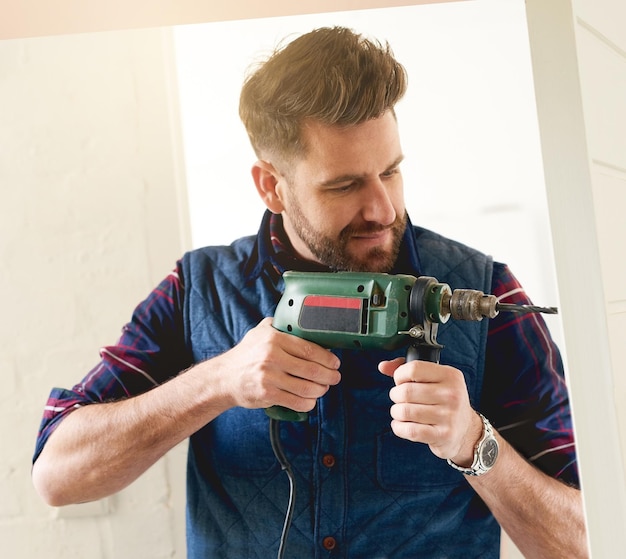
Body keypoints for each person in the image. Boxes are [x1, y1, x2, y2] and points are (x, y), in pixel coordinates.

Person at [32, 27, 587, 558]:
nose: (383, 209)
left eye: (390, 172)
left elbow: (589, 540)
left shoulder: (485, 292)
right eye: (344, 185)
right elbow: (57, 474)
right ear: (271, 185)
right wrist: (218, 382)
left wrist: (474, 443)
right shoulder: (197, 291)